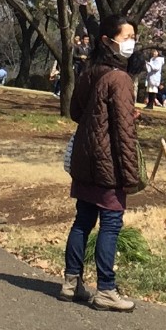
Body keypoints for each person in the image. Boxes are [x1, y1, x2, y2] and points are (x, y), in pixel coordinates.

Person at [64, 16, 144, 311]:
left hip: (85, 156)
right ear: (107, 40)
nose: (131, 43)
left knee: (83, 220)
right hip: (108, 163)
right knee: (110, 224)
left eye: (133, 36)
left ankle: (71, 282)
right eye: (126, 37)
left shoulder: (90, 71)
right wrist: (130, 174)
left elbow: (76, 111)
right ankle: (106, 289)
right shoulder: (121, 79)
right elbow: (123, 132)